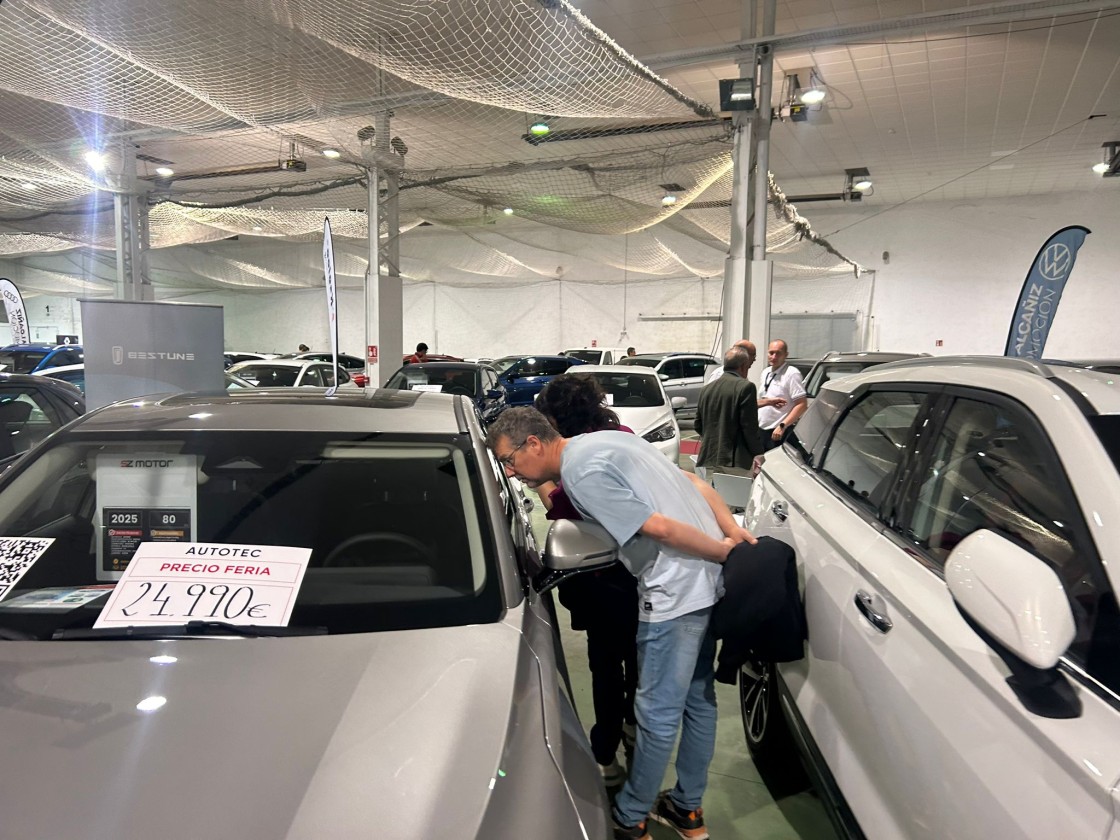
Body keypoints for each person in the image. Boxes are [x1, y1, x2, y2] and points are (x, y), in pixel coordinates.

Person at [486, 407, 756, 840]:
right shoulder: (609, 440)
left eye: (510, 460)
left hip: (674, 593)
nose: (511, 472)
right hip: (706, 585)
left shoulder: (580, 473)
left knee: (657, 712)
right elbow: (691, 481)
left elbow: (660, 528)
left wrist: (726, 552)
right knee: (698, 700)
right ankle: (687, 807)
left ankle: (631, 816)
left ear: (533, 443)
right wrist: (730, 532)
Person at [535, 374, 637, 787]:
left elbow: (558, 506)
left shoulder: (574, 456)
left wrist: (541, 477)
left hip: (606, 577)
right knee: (641, 661)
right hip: (648, 571)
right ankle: (633, 726)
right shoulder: (624, 434)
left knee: (606, 668)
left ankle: (605, 754)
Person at [694, 343, 766, 478]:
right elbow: (749, 427)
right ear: (743, 366)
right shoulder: (746, 387)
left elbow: (698, 424)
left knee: (716, 496)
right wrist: (759, 453)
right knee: (739, 497)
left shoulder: (706, 389)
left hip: (709, 457)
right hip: (736, 459)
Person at [758, 339, 807, 450]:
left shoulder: (791, 373)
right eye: (771, 353)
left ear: (786, 355)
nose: (774, 356)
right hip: (761, 430)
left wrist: (782, 426)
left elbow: (802, 404)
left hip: (778, 432)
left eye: (778, 353)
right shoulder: (766, 372)